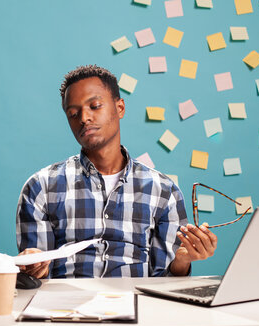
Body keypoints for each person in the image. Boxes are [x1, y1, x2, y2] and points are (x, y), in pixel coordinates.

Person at [16, 65, 218, 279]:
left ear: (120, 108)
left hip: (140, 307)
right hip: (65, 309)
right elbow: (36, 281)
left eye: (94, 106)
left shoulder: (164, 192)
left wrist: (182, 262)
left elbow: (165, 284)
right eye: (73, 114)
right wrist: (33, 266)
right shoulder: (41, 187)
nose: (84, 118)